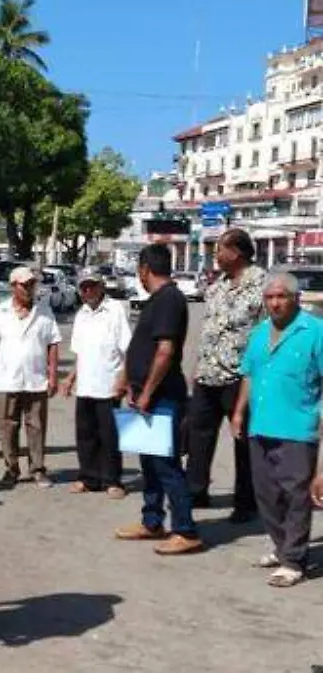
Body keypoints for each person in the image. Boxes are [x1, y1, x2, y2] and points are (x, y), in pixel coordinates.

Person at [231, 273, 321, 587]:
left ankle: (294, 560)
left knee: (295, 495)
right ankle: (282, 545)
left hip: (297, 428)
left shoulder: (315, 331)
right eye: (269, 297)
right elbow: (249, 375)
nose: (275, 303)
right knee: (267, 494)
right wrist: (239, 412)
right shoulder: (258, 333)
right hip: (261, 426)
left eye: (281, 296)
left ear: (296, 299)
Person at [113, 244, 202, 555]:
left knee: (166, 464)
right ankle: (152, 520)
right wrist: (126, 383)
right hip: (142, 395)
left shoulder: (170, 299)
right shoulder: (155, 300)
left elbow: (166, 351)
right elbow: (142, 347)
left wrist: (148, 392)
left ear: (144, 269)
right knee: (148, 462)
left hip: (162, 396)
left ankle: (185, 529)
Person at [186, 229, 264, 522]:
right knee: (198, 437)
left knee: (243, 441)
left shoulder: (262, 285)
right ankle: (196, 491)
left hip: (241, 378)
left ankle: (246, 503)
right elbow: (208, 331)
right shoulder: (217, 286)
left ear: (238, 253)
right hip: (208, 375)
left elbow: (267, 335)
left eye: (220, 249)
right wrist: (196, 368)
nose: (215, 255)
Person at [0, 266, 61, 488]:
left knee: (36, 426)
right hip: (8, 378)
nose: (29, 289)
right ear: (13, 286)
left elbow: (53, 343)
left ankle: (38, 468)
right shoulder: (0, 312)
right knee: (8, 426)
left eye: (32, 284)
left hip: (36, 379)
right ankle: (11, 468)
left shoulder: (44, 311)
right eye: (25, 285)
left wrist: (53, 375)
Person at [61, 271, 131, 497]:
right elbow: (80, 352)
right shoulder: (81, 314)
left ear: (101, 286)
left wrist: (124, 380)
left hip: (108, 384)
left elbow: (126, 349)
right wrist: (71, 378)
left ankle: (112, 480)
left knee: (109, 435)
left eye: (91, 286)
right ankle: (88, 477)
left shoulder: (115, 311)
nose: (87, 291)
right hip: (86, 385)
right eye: (83, 287)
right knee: (85, 435)